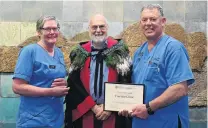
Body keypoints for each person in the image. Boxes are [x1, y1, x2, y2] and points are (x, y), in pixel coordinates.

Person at [119, 4, 195, 128]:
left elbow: (180, 89)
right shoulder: (139, 52)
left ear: (163, 21)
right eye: (144, 20)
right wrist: (127, 105)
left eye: (153, 19)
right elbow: (135, 88)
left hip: (167, 123)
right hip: (141, 122)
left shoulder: (173, 48)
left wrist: (148, 108)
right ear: (140, 23)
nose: (148, 23)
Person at [64, 14, 132, 128]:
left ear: (107, 28)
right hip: (85, 112)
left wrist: (109, 106)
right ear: (89, 29)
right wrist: (93, 106)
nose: (98, 30)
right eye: (94, 27)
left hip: (113, 114)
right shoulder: (79, 53)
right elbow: (74, 84)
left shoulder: (119, 51)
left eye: (102, 26)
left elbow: (126, 81)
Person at [12, 15, 70, 128]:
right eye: (48, 29)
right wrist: (50, 92)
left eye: (55, 28)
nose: (52, 32)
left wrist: (64, 84)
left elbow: (53, 78)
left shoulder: (58, 53)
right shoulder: (29, 52)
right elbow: (17, 87)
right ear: (38, 32)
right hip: (34, 120)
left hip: (55, 119)